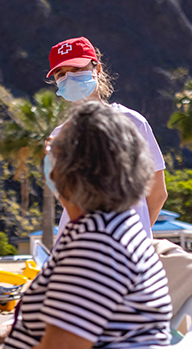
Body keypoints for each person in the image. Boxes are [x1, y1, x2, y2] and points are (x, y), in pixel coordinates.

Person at [0, 102, 173, 349]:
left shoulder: (95, 246)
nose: (47, 155)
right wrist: (8, 329)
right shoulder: (117, 227)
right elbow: (78, 318)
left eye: (55, 147)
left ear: (74, 169)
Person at [46, 36, 167, 239]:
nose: (69, 77)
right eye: (61, 73)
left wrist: (134, 240)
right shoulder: (58, 137)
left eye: (76, 69)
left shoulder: (132, 122)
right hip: (74, 252)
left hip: (125, 254)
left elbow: (157, 194)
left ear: (97, 69)